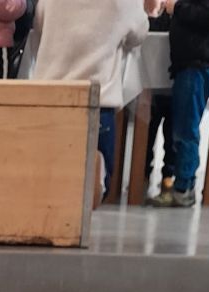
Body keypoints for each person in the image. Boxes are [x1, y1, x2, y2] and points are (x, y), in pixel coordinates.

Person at [30, 0, 149, 199]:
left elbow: (39, 23)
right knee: (92, 189)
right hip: (96, 100)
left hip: (52, 95)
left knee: (48, 180)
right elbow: (139, 32)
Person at [152, 0, 209, 209]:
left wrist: (177, 7)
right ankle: (184, 184)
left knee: (186, 131)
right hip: (188, 63)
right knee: (183, 129)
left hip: (196, 65)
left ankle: (183, 188)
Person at [145, 8, 175, 198]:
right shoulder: (161, 15)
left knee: (172, 137)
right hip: (154, 86)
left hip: (174, 85)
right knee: (148, 133)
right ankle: (143, 172)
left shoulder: (184, 14)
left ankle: (168, 176)